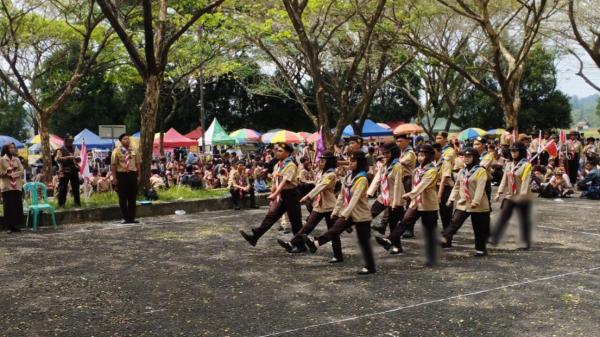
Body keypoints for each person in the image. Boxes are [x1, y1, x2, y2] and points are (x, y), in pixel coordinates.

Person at [302, 150, 376, 275]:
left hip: (361, 215)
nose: (350, 163)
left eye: (354, 161)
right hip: (348, 213)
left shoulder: (362, 178)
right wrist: (336, 211)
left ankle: (370, 267)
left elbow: (354, 199)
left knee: (363, 241)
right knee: (334, 230)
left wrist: (343, 214)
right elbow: (341, 196)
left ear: (360, 162)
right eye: (350, 161)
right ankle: (316, 243)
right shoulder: (348, 176)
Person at [375, 144, 439, 267]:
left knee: (429, 232)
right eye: (419, 155)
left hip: (428, 206)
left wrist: (410, 194)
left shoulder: (432, 171)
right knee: (404, 222)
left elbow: (422, 185)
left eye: (423, 155)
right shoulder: (417, 170)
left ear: (430, 156)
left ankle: (431, 258)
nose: (420, 158)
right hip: (415, 204)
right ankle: (389, 240)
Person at [277, 151, 342, 260]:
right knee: (307, 227)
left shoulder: (331, 174)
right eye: (320, 160)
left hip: (329, 206)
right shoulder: (322, 172)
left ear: (329, 162)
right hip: (319, 205)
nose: (320, 162)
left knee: (332, 232)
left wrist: (307, 197)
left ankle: (338, 255)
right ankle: (291, 243)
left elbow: (320, 186)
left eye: (323, 160)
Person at [240, 143, 303, 249]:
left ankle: (300, 245)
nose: (277, 152)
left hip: (291, 195)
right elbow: (275, 181)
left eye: (280, 151)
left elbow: (284, 182)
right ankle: (255, 237)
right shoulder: (278, 165)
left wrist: (275, 194)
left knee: (295, 221)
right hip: (282, 195)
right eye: (277, 150)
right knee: (271, 216)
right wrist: (272, 193)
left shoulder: (290, 165)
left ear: (287, 153)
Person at [441, 147, 490, 256]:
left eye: (469, 156)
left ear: (475, 158)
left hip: (479, 205)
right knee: (454, 222)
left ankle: (480, 250)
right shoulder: (462, 171)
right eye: (464, 156)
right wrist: (451, 199)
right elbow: (457, 186)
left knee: (478, 228)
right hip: (464, 203)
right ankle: (444, 238)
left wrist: (476, 202)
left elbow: (480, 188)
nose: (466, 159)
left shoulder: (480, 171)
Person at [491, 141, 533, 250]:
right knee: (504, 216)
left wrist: (522, 195)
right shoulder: (509, 164)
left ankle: (525, 242)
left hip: (522, 196)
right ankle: (495, 237)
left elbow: (525, 181)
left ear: (521, 152)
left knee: (524, 219)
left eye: (515, 151)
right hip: (510, 195)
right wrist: (499, 192)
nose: (513, 153)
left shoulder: (526, 165)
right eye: (511, 151)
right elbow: (504, 179)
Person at [368, 141, 405, 236]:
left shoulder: (397, 165)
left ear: (394, 152)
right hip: (383, 196)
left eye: (387, 153)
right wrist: (369, 193)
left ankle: (397, 246)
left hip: (394, 197)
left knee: (394, 224)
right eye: (384, 153)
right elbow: (377, 178)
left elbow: (398, 185)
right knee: (369, 214)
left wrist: (395, 203)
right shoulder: (384, 164)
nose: (385, 155)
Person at [111, 133, 140, 224]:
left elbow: (138, 163)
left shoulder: (134, 150)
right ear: (120, 141)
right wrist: (114, 178)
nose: (127, 140)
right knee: (122, 197)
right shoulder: (116, 151)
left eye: (128, 139)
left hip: (132, 174)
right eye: (124, 139)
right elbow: (114, 165)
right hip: (122, 175)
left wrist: (139, 175)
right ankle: (125, 217)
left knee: (132, 197)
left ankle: (132, 218)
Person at [395, 134, 417, 238]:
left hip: (408, 179)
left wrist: (394, 160)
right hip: (402, 179)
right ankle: (402, 227)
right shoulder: (402, 152)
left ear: (407, 141)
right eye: (397, 141)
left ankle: (409, 229)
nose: (398, 143)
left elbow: (402, 163)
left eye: (401, 141)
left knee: (409, 204)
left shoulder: (410, 153)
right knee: (399, 203)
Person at [0, 143, 24, 233]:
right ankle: (9, 227)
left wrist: (13, 174)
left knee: (17, 206)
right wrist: (6, 172)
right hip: (7, 186)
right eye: (11, 148)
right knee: (8, 207)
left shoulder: (16, 159)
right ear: (6, 149)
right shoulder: (1, 160)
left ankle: (16, 225)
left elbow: (21, 171)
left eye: (13, 147)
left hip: (17, 185)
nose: (13, 149)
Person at [435, 131, 456, 233]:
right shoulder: (437, 150)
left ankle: (447, 233)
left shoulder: (450, 150)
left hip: (446, 181)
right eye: (436, 138)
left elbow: (446, 159)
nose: (437, 140)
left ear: (445, 139)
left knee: (445, 210)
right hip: (435, 183)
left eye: (439, 138)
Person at [56, 133, 81, 207]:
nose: (71, 142)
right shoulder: (60, 149)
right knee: (63, 188)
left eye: (72, 141)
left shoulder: (74, 148)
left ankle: (77, 203)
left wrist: (78, 158)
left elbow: (79, 158)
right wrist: (68, 157)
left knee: (76, 187)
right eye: (69, 141)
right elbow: (58, 159)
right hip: (64, 171)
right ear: (65, 141)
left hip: (74, 170)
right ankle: (61, 204)